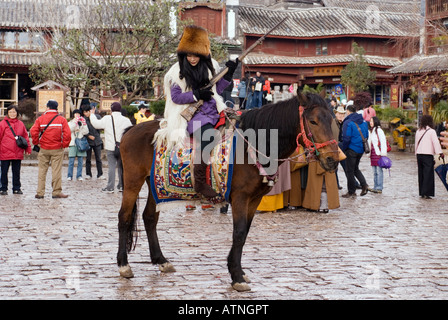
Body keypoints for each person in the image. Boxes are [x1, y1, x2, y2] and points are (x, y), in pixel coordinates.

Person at [153, 25, 237, 199]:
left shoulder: (209, 67)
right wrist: (196, 94)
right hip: (191, 115)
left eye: (196, 55)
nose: (192, 58)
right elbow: (176, 97)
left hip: (213, 111)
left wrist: (229, 74)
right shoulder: (176, 72)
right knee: (209, 137)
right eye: (189, 55)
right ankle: (199, 182)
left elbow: (217, 89)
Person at [30, 100, 71, 199]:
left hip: (43, 148)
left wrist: (36, 142)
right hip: (57, 148)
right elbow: (67, 134)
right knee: (56, 171)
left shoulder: (40, 119)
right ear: (56, 108)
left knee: (42, 171)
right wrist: (64, 144)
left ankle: (40, 192)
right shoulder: (61, 119)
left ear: (47, 107)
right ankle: (56, 192)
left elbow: (33, 131)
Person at [89, 102, 132, 193]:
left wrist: (92, 115)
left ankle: (110, 187)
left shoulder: (107, 118)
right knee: (121, 166)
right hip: (122, 146)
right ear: (120, 109)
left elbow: (96, 124)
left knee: (111, 167)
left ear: (111, 110)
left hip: (110, 146)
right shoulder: (126, 120)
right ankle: (121, 185)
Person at [0, 105, 32, 195]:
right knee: (4, 171)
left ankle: (16, 188)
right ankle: (3, 188)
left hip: (18, 151)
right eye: (10, 112)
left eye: (14, 112)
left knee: (16, 172)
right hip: (5, 151)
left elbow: (25, 137)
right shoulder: (2, 124)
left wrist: (28, 148)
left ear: (17, 113)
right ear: (7, 113)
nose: (12, 114)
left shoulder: (21, 124)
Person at [340, 105, 369, 198]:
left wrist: (344, 148)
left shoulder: (348, 122)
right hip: (361, 149)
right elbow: (366, 135)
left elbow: (346, 137)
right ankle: (364, 185)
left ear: (348, 111)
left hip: (351, 149)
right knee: (355, 168)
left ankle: (351, 191)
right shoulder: (363, 122)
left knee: (350, 171)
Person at [415, 115, 444, 199]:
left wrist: (416, 154)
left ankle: (421, 192)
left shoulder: (418, 131)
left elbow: (416, 143)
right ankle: (427, 192)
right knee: (428, 174)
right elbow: (435, 143)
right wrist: (440, 153)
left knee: (421, 174)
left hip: (419, 154)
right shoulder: (432, 131)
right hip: (427, 155)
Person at [81, 105, 104, 180]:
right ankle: (88, 174)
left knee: (98, 159)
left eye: (87, 112)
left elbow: (101, 126)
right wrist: (88, 136)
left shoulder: (96, 117)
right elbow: (82, 130)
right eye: (84, 112)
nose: (86, 114)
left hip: (97, 140)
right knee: (88, 159)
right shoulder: (83, 120)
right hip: (88, 141)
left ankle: (100, 174)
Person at [367, 116, 387, 194]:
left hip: (378, 154)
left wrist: (383, 153)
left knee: (379, 171)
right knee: (374, 171)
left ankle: (379, 187)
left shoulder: (379, 130)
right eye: (370, 121)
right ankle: (375, 186)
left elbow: (383, 142)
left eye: (372, 121)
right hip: (372, 154)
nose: (370, 122)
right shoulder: (371, 131)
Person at [67, 109, 89, 181]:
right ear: (73, 115)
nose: (77, 115)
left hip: (80, 143)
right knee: (71, 161)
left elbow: (86, 132)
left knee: (80, 161)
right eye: (76, 114)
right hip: (73, 143)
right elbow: (69, 129)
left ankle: (79, 175)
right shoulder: (70, 123)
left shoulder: (82, 123)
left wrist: (84, 124)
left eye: (78, 114)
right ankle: (69, 175)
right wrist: (75, 123)